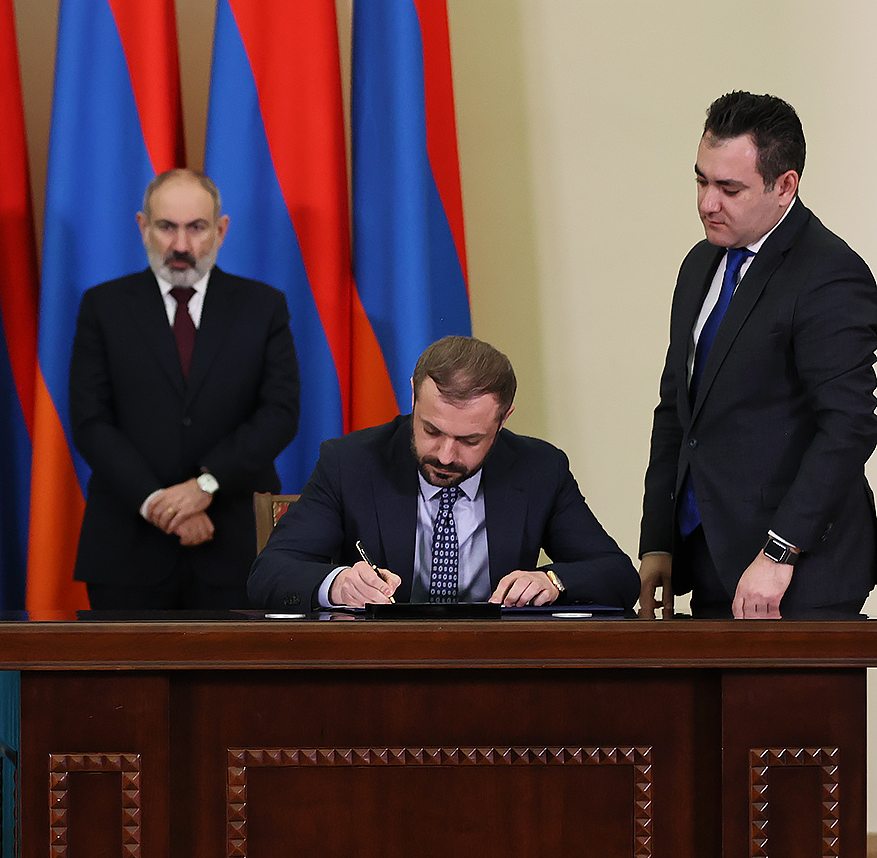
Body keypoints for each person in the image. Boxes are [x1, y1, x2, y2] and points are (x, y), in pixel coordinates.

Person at [639, 92, 877, 620]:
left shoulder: (830, 274)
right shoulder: (699, 264)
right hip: (709, 560)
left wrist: (780, 551)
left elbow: (849, 426)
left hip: (799, 574)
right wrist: (658, 541)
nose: (707, 203)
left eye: (729, 189)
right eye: (701, 181)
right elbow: (677, 411)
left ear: (785, 185)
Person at [249, 336, 636, 611]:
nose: (446, 456)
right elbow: (269, 573)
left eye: (470, 440)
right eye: (431, 431)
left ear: (503, 420)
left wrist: (551, 581)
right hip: (380, 665)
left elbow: (617, 575)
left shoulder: (539, 468)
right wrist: (337, 584)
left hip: (496, 666)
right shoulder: (351, 462)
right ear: (413, 397)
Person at [69, 168, 301, 609]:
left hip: (235, 547)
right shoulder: (103, 307)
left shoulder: (262, 306)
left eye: (196, 228)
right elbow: (90, 421)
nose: (180, 245)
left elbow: (280, 414)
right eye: (166, 227)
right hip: (127, 550)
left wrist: (205, 485)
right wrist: (160, 503)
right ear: (143, 227)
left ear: (221, 230)